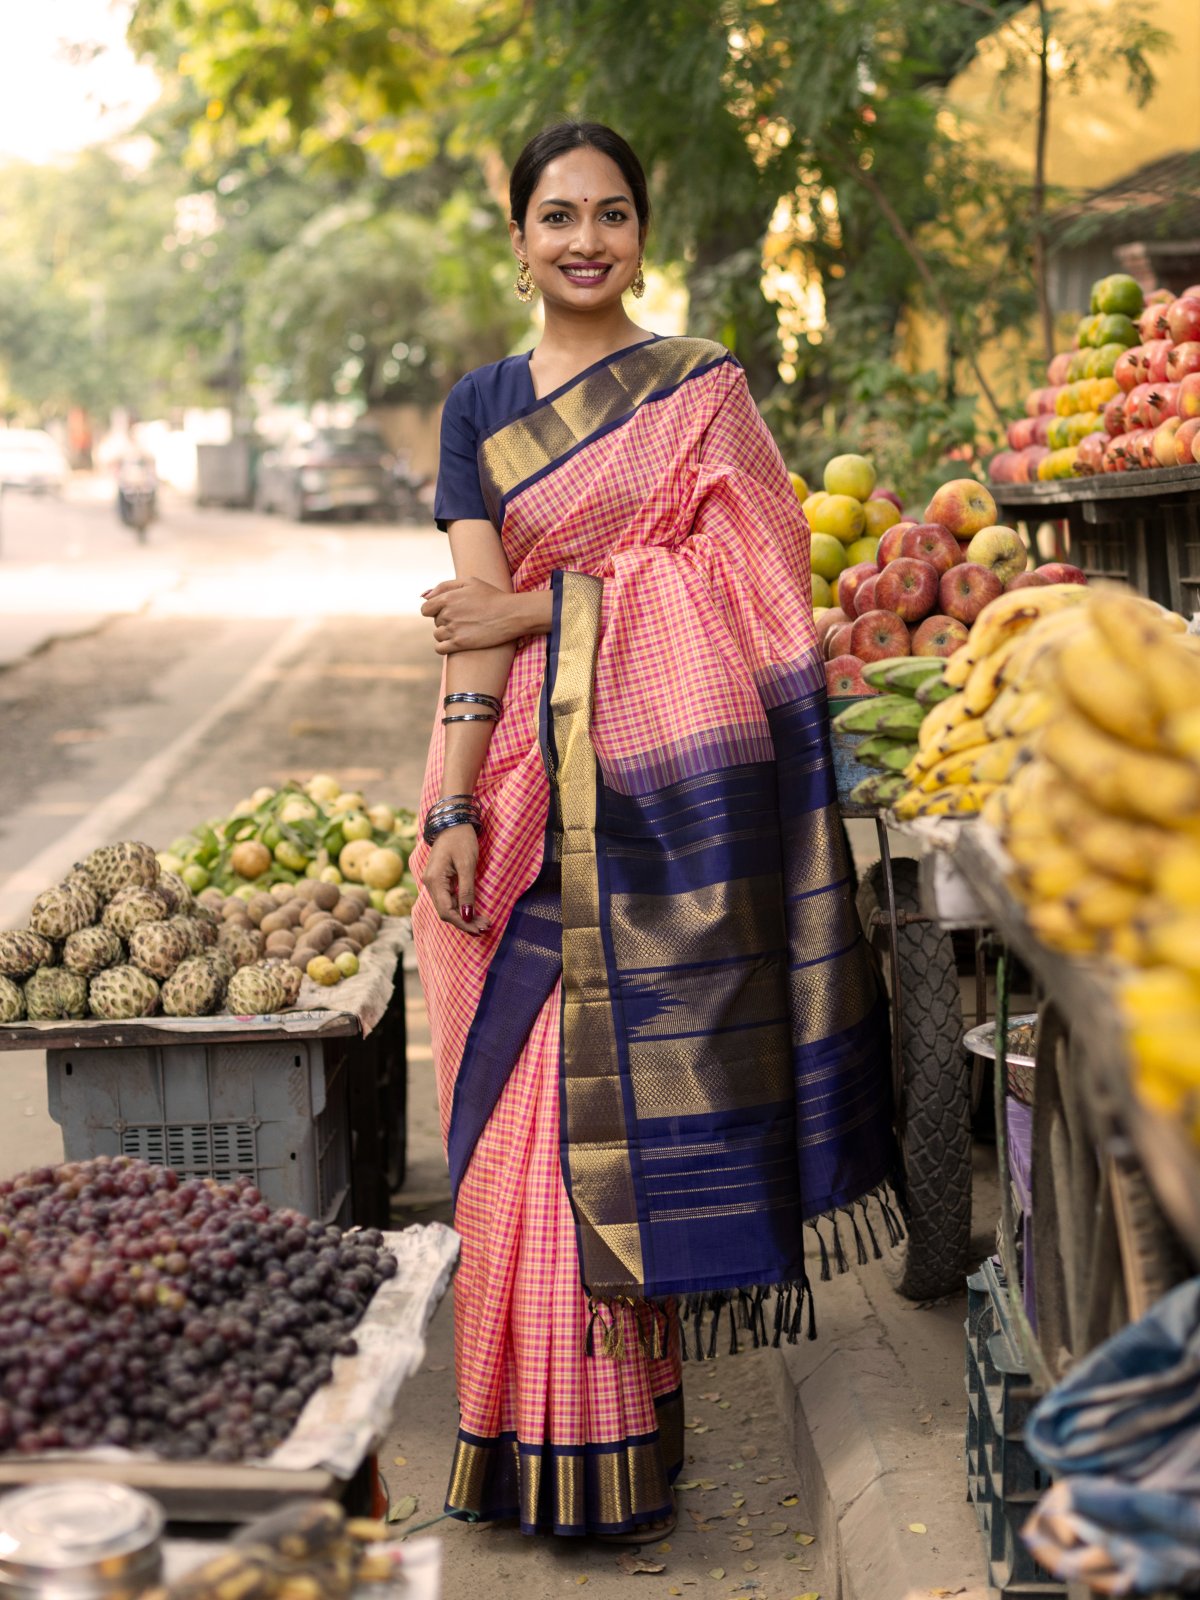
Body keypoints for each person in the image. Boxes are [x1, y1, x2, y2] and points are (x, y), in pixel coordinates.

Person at [411, 121, 897, 1543]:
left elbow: (756, 571)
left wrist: (554, 609)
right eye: (556, 215)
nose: (583, 239)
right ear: (516, 238)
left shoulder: (700, 390)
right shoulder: (480, 406)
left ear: (641, 232)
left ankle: (617, 1451)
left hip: (657, 797)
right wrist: (449, 797)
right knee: (507, 1125)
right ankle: (517, 1440)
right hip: (514, 791)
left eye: (610, 214)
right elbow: (470, 622)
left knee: (610, 1100)